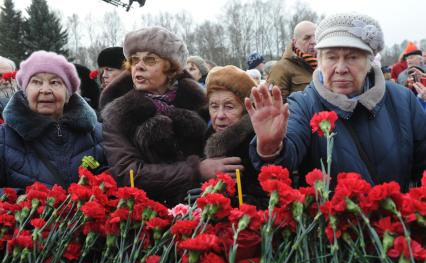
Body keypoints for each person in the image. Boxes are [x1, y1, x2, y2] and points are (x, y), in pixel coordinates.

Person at [246, 13, 426, 191]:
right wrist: (272, 148)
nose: (340, 69)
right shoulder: (303, 104)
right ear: (319, 60)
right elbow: (287, 158)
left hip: (395, 219)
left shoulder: (403, 101)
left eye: (352, 57)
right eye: (331, 57)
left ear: (370, 60)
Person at [101, 27, 242, 207]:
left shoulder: (202, 104)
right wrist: (196, 170)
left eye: (150, 60)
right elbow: (127, 173)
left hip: (206, 210)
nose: (139, 66)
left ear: (171, 67)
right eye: (134, 60)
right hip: (150, 217)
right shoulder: (118, 113)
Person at [0, 51, 105, 190]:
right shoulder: (4, 138)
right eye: (36, 82)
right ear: (25, 92)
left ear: (68, 94)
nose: (45, 90)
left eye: (55, 82)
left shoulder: (98, 134)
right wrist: (23, 201)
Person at [204, 65, 267, 207]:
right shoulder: (205, 136)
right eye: (214, 106)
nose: (219, 115)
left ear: (246, 110)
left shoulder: (257, 143)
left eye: (229, 107)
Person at [267, 21, 317, 100]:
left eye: (316, 37)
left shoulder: (325, 65)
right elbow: (278, 106)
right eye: (307, 38)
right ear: (295, 41)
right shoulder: (281, 68)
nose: (313, 42)